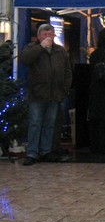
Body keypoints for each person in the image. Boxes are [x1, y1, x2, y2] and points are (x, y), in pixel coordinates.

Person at [19, 24, 72, 166]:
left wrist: (65, 88)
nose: (48, 36)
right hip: (37, 93)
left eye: (50, 34)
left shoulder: (60, 51)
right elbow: (24, 60)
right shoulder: (31, 48)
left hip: (55, 94)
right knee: (35, 123)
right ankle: (32, 153)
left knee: (50, 124)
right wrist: (41, 46)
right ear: (39, 36)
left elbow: (68, 71)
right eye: (45, 34)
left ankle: (46, 151)